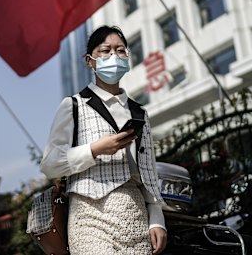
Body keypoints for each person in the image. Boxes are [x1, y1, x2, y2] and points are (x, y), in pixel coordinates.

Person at [40, 25, 168, 254]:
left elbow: (148, 173)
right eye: (105, 50)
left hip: (134, 216)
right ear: (90, 60)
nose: (113, 56)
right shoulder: (73, 106)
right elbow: (50, 164)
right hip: (89, 218)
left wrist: (157, 219)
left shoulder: (139, 113)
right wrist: (94, 150)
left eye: (120, 50)